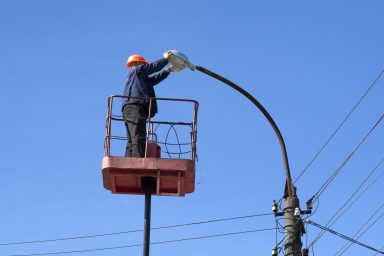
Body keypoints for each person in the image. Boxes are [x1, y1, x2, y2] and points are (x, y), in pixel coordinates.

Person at [122, 52, 173, 157]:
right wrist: (166, 59)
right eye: (142, 64)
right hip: (135, 106)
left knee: (132, 138)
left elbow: (154, 79)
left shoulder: (138, 77)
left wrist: (169, 70)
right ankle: (137, 162)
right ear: (136, 63)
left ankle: (129, 160)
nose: (144, 66)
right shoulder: (138, 70)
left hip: (130, 107)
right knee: (138, 136)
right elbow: (154, 67)